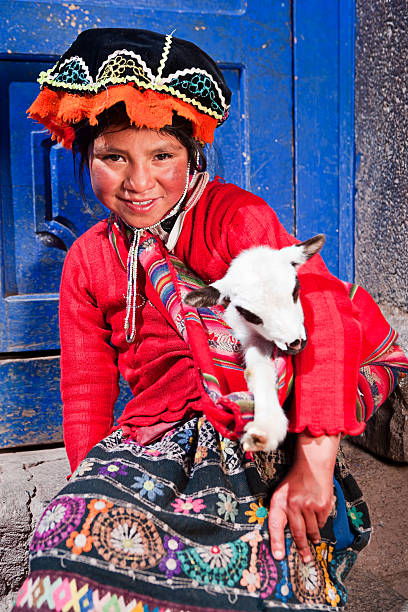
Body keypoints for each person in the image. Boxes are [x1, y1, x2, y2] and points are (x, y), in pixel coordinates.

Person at [14, 28, 408, 611]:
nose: (139, 182)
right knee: (66, 543)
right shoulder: (88, 259)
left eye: (162, 156)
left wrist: (313, 465)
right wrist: (90, 482)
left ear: (193, 152)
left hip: (252, 429)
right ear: (82, 153)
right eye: (113, 157)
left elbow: (319, 309)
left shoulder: (236, 219)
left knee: (262, 559)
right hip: (152, 437)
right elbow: (85, 386)